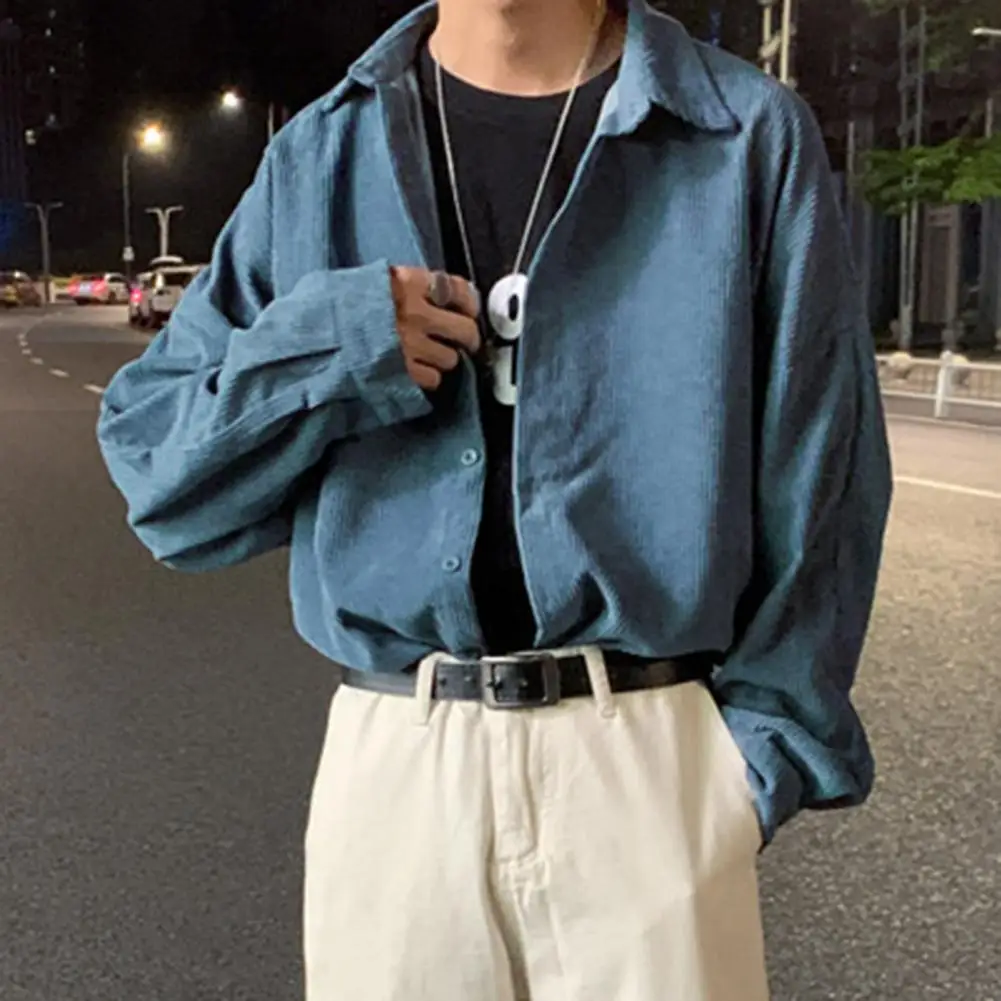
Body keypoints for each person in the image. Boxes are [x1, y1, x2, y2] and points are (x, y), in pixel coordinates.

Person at [97, 0, 893, 998]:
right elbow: (162, 478)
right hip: (396, 766)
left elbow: (823, 473)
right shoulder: (320, 157)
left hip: (648, 762)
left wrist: (749, 764)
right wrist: (334, 347)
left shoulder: (740, 135)